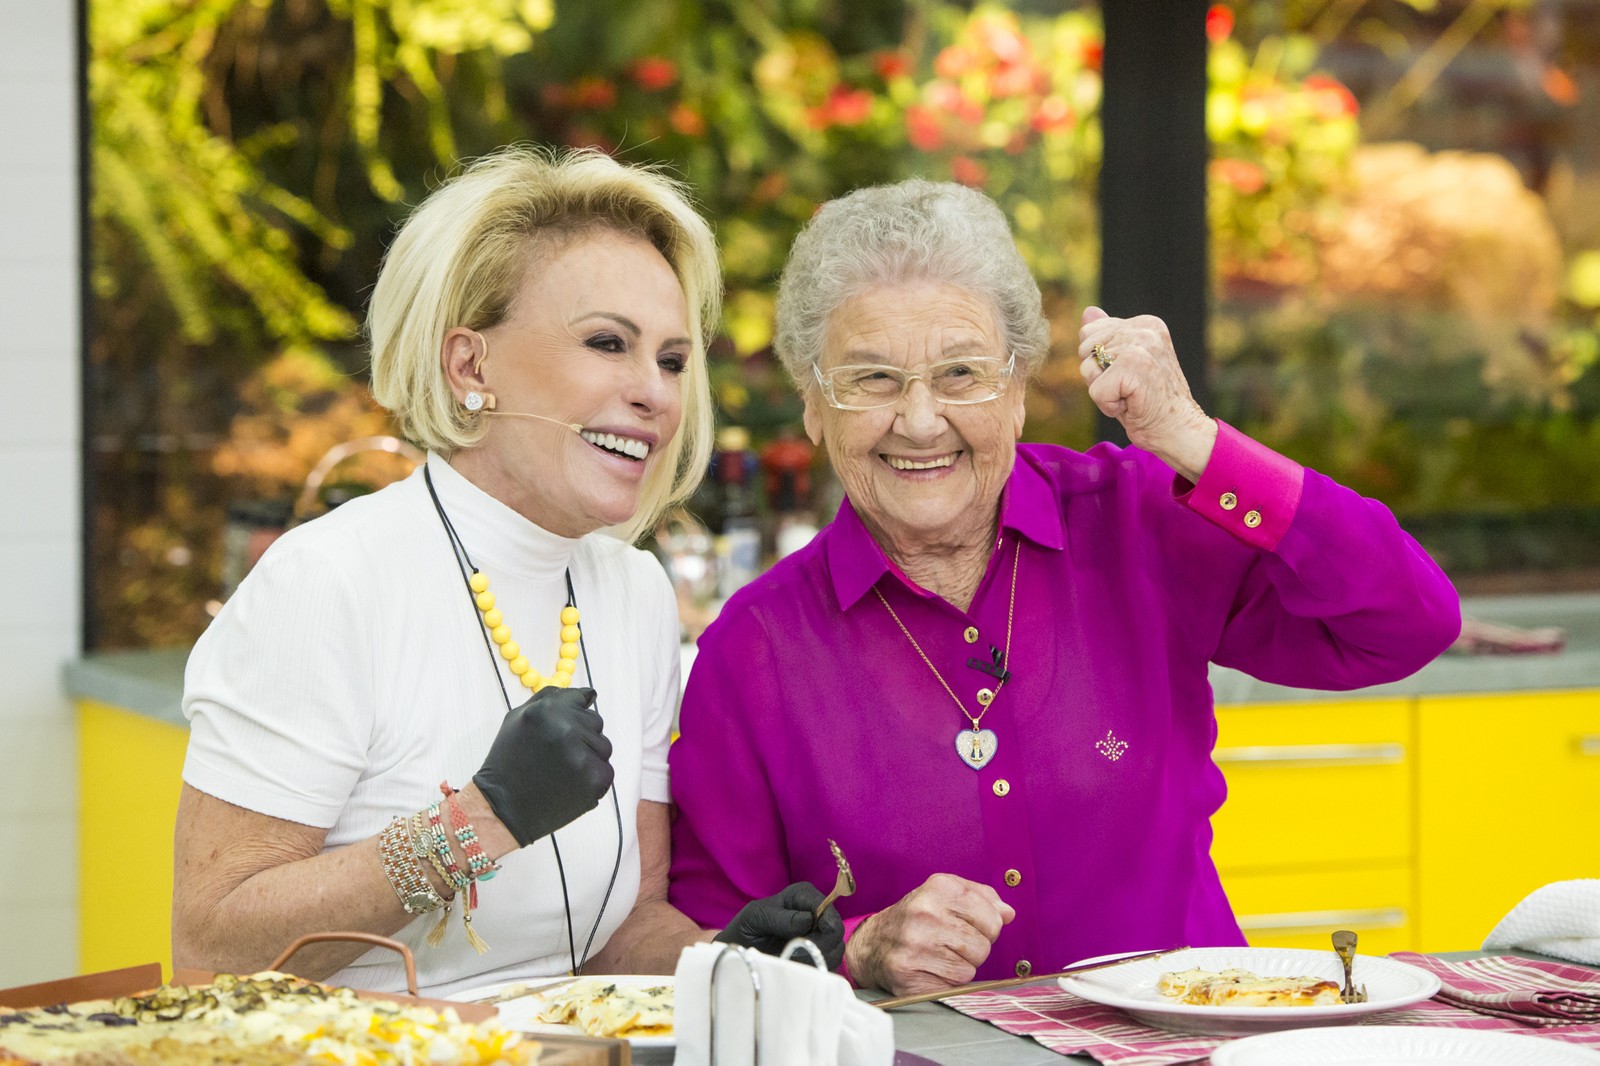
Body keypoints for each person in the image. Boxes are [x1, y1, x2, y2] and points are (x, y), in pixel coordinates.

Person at [667, 179, 1460, 996]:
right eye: (872, 380)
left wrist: (1192, 439)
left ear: (1016, 390)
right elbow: (715, 950)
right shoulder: (754, 650)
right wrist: (854, 949)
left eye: (961, 373)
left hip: (1176, 1050)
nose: (920, 419)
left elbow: (1406, 622)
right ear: (811, 405)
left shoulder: (1135, 520)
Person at [173, 146, 844, 997]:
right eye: (609, 343)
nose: (658, 395)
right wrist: (478, 822)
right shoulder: (329, 581)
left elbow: (617, 930)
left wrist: (721, 960)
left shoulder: (632, 592)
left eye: (674, 360)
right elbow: (209, 949)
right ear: (469, 366)